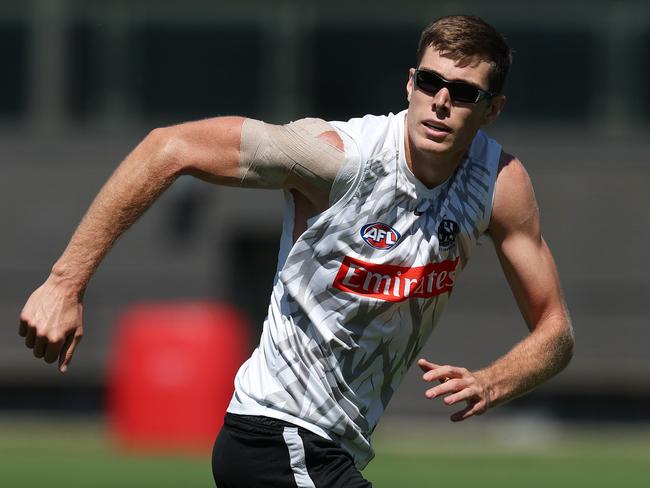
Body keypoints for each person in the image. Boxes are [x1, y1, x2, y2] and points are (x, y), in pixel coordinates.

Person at [19, 14, 574, 487]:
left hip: (331, 451)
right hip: (275, 436)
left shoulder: (498, 185)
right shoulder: (337, 159)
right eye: (430, 82)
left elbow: (556, 331)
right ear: (410, 84)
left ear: (492, 110)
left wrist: (493, 381)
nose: (442, 101)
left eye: (465, 92)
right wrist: (65, 284)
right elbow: (169, 147)